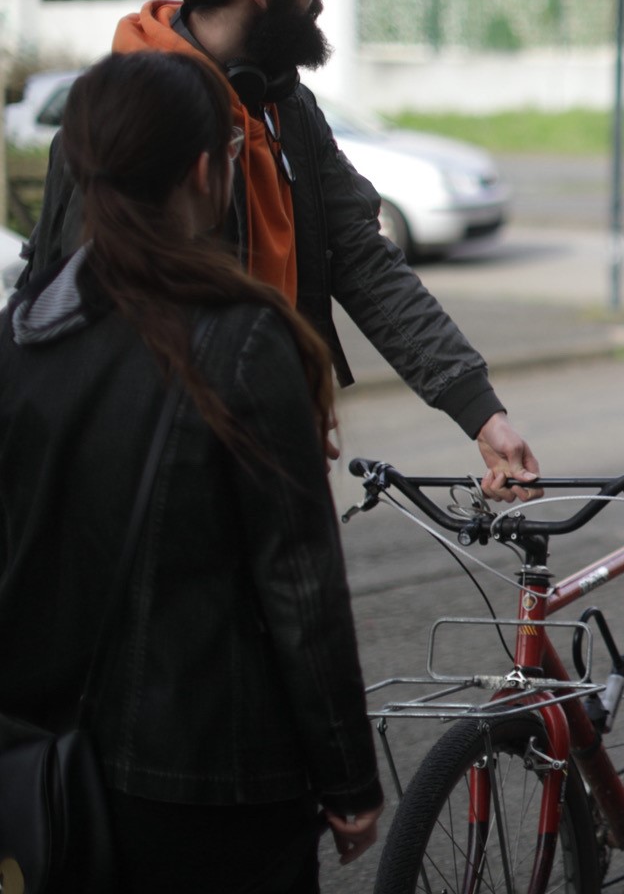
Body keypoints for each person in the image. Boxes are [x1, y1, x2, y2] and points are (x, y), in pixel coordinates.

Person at [0, 51, 383, 890]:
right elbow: (299, 586)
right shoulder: (242, 340)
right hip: (217, 781)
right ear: (209, 172)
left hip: (48, 767)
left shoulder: (21, 334)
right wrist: (350, 780)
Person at [21, 0, 540, 498]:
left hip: (272, 434)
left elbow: (364, 261)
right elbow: (98, 311)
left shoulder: (286, 105)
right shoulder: (126, 120)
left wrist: (480, 411)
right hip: (163, 469)